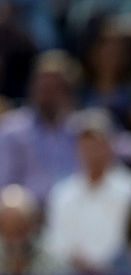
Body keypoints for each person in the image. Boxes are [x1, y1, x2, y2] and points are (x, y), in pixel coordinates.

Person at [39, 107, 131, 275]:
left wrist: (104, 266)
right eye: (86, 144)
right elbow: (54, 242)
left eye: (98, 143)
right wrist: (77, 262)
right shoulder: (62, 193)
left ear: (110, 145)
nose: (92, 150)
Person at [0, 49, 80, 202]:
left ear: (68, 92)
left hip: (72, 209)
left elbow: (119, 145)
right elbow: (4, 184)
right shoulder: (11, 129)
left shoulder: (80, 128)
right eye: (43, 87)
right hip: (25, 211)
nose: (48, 94)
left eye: (55, 88)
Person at [0, 183, 66, 275]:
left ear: (31, 226)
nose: (14, 240)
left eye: (19, 230)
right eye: (8, 231)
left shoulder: (50, 258)